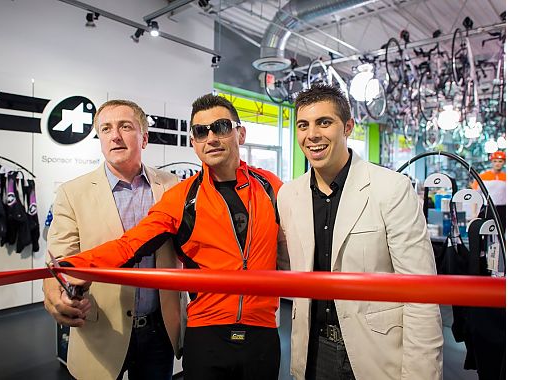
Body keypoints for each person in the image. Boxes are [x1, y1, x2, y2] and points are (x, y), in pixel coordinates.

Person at [59, 94, 289, 380]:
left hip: (263, 332)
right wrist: (73, 266)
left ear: (239, 133)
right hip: (206, 332)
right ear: (193, 142)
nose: (211, 138)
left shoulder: (272, 187)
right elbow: (131, 244)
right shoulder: (181, 197)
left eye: (221, 127)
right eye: (201, 131)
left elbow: (300, 245)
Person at [277, 84, 444, 380]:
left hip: (376, 352)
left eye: (324, 122)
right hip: (312, 349)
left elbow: (421, 293)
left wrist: (421, 375)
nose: (312, 135)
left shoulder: (391, 188)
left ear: (348, 127)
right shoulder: (289, 196)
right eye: (303, 125)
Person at [43, 99, 183, 380]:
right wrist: (53, 296)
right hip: (101, 329)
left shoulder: (173, 187)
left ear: (144, 138)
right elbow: (58, 263)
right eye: (105, 129)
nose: (114, 135)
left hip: (160, 330)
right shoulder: (73, 193)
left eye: (125, 126)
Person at [471, 150, 506, 232]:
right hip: (488, 208)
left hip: (503, 209)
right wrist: (473, 213)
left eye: (500, 161)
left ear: (504, 162)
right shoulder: (483, 176)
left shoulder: (506, 177)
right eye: (495, 161)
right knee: (485, 232)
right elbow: (475, 195)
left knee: (501, 232)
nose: (497, 163)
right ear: (492, 162)